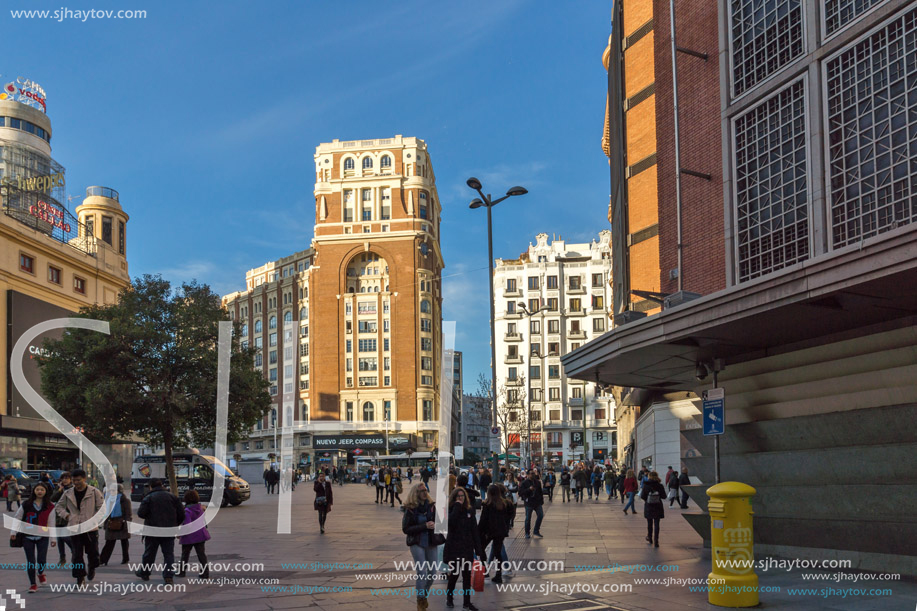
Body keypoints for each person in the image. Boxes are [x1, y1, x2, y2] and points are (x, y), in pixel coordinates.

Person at [55, 469, 104, 586]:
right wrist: (66, 515)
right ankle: (80, 577)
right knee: (77, 555)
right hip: (74, 527)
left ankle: (92, 567)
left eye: (78, 480)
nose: (76, 482)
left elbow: (101, 508)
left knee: (93, 553)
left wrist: (95, 520)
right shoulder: (68, 493)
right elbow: (58, 507)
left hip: (90, 528)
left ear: (84, 479)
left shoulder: (94, 492)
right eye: (74, 480)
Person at [8, 481, 56, 593]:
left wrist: (53, 539)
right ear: (34, 491)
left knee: (42, 560)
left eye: (42, 490)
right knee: (30, 561)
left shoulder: (50, 506)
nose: (40, 492)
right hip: (27, 536)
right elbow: (17, 518)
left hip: (42, 536)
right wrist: (13, 532)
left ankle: (40, 573)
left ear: (46, 492)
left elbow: (52, 522)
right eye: (37, 489)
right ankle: (33, 584)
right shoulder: (26, 504)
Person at [134, 478, 184, 584]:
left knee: (149, 553)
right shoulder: (172, 497)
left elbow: (141, 513)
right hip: (168, 530)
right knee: (168, 554)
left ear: (151, 486)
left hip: (152, 530)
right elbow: (182, 514)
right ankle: (168, 576)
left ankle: (145, 572)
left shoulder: (149, 497)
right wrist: (175, 524)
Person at [444, 487, 484, 610]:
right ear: (454, 498)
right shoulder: (450, 510)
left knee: (467, 577)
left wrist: (479, 550)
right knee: (454, 575)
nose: (460, 498)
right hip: (454, 548)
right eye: (458, 496)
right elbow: (451, 523)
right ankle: (449, 598)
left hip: (467, 548)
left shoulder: (469, 511)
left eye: (462, 496)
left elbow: (474, 531)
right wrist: (456, 506)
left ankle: (467, 602)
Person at [403, 483, 440, 611]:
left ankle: (423, 596)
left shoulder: (431, 507)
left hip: (431, 541)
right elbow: (406, 528)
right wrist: (424, 526)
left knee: (433, 572)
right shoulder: (410, 509)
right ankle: (420, 601)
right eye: (422, 491)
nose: (425, 493)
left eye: (425, 490)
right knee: (422, 572)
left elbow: (439, 522)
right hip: (417, 542)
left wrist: (436, 524)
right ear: (416, 493)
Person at [478, 484, 511, 585]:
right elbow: (507, 518)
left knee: (481, 548)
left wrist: (478, 532)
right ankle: (498, 575)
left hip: (488, 532)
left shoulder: (487, 504)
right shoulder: (503, 504)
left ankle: (485, 570)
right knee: (498, 553)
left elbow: (483, 520)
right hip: (500, 532)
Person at [177, 490, 211, 578]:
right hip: (200, 535)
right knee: (201, 554)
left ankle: (181, 572)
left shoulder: (187, 511)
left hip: (189, 537)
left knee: (185, 554)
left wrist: (180, 534)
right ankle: (205, 572)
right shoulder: (200, 508)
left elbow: (187, 525)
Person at [99, 483, 131, 566]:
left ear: (119, 491)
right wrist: (105, 524)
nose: (111, 492)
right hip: (111, 523)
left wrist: (126, 523)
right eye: (110, 490)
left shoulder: (125, 500)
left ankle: (125, 558)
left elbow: (128, 514)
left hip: (122, 523)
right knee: (109, 543)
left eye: (113, 490)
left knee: (124, 542)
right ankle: (103, 560)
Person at [50, 471, 74, 565]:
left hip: (68, 514)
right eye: (63, 478)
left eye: (67, 478)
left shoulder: (73, 489)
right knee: (60, 538)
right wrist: (59, 490)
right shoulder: (59, 488)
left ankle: (74, 550)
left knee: (65, 536)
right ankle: (62, 557)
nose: (65, 480)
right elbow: (52, 498)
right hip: (58, 515)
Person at [640, 471, 666, 547]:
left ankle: (650, 538)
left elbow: (642, 496)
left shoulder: (646, 485)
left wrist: (648, 499)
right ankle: (656, 540)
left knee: (649, 523)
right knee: (657, 523)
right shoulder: (660, 485)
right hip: (658, 506)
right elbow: (664, 496)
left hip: (649, 506)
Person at [519, 470, 544, 539]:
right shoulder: (524, 483)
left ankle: (536, 530)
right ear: (527, 475)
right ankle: (527, 532)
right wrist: (529, 489)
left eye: (533, 473)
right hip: (529, 503)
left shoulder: (537, 482)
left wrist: (541, 500)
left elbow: (540, 492)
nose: (532, 475)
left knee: (541, 515)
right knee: (528, 518)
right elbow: (520, 493)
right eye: (531, 474)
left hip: (537, 502)